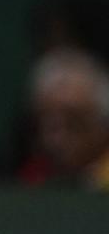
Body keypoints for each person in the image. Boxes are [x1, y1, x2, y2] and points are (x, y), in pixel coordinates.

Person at [18, 48, 109, 190]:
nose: (54, 139)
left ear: (102, 125)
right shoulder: (31, 177)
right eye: (43, 123)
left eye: (73, 122)